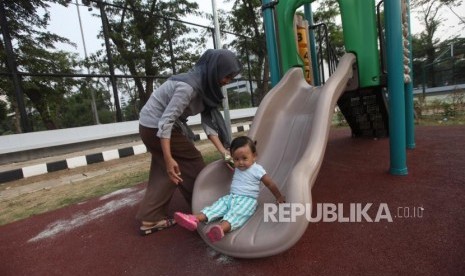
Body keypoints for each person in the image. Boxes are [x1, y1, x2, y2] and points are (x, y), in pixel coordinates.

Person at [136, 49, 242, 236]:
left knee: (167, 171)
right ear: (215, 70)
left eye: (231, 78)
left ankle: (150, 218)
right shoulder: (189, 87)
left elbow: (208, 124)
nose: (227, 81)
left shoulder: (206, 85)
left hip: (151, 126)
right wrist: (169, 158)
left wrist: (223, 151)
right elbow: (165, 121)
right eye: (227, 76)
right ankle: (207, 211)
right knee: (192, 162)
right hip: (155, 127)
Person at [174, 136, 286, 243]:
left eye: (244, 158)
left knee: (237, 214)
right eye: (236, 159)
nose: (240, 162)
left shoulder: (257, 169)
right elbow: (228, 160)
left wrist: (279, 196)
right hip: (231, 197)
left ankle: (220, 229)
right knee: (216, 207)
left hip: (248, 200)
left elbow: (270, 184)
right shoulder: (237, 166)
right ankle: (193, 218)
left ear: (254, 156)